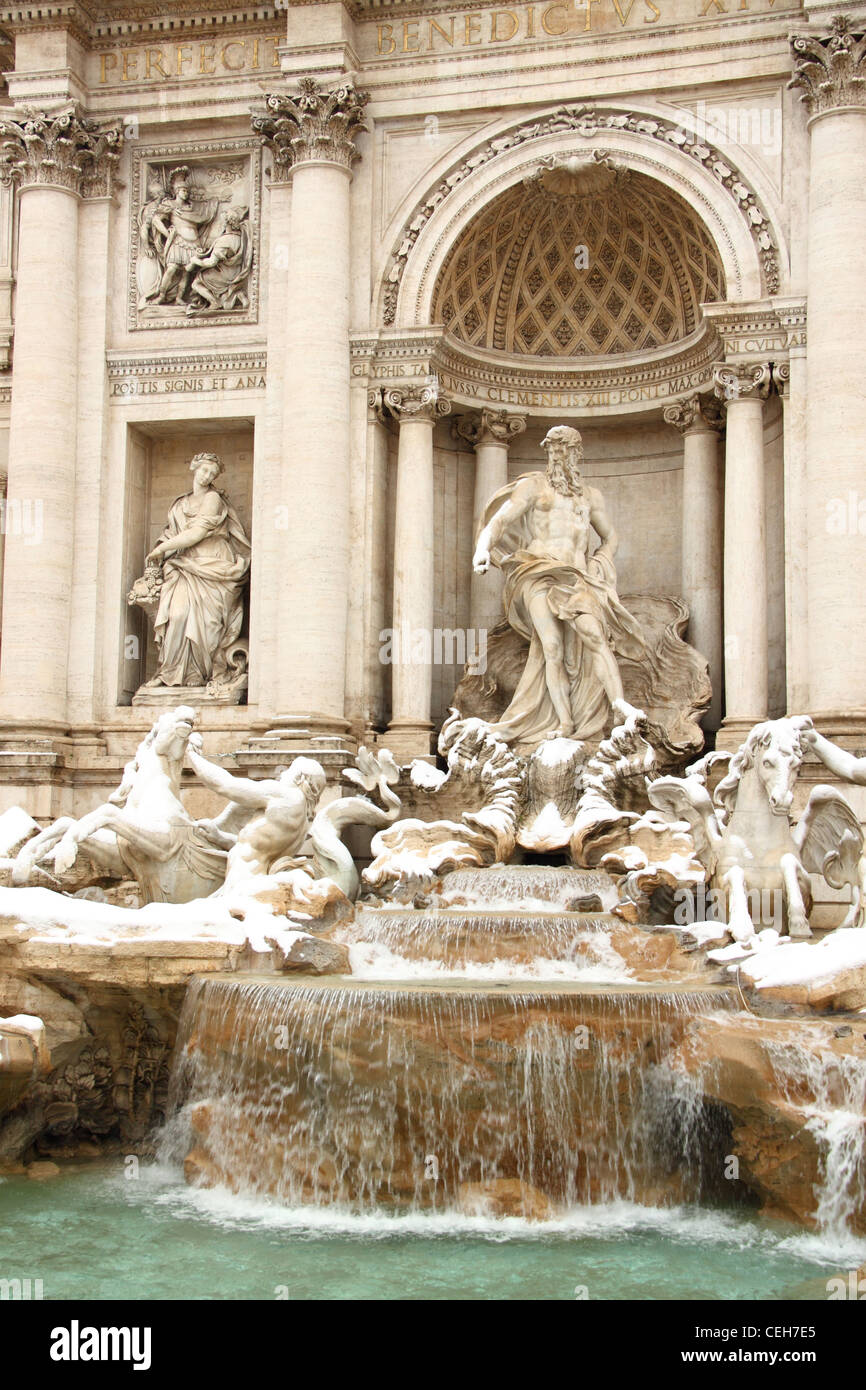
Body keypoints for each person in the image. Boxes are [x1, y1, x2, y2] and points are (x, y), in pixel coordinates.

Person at [472, 424, 645, 743]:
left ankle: (620, 708)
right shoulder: (534, 487)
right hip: (537, 571)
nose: (558, 456)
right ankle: (565, 723)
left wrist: (601, 558)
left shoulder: (591, 497)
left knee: (594, 637)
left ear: (577, 454)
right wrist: (483, 548)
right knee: (551, 646)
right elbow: (501, 520)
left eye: (564, 450)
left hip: (576, 577)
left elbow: (611, 535)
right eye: (553, 450)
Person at [143, 452, 250, 689]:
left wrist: (161, 551)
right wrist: (162, 548)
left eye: (212, 473)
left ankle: (198, 674)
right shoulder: (180, 504)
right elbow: (171, 533)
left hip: (213, 564)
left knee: (208, 625)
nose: (207, 476)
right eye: (204, 470)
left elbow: (196, 533)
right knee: (178, 615)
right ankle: (170, 671)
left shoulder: (213, 499)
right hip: (184, 566)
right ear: (194, 467)